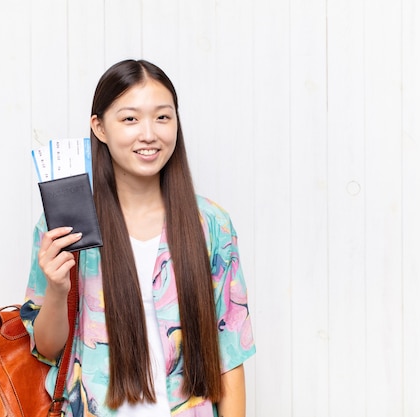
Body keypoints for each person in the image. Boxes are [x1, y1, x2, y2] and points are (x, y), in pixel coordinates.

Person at [21, 59, 255, 417]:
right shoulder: (66, 224)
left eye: (163, 117)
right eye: (130, 119)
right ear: (99, 127)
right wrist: (56, 289)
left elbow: (230, 354)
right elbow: (49, 350)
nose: (149, 134)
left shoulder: (211, 224)